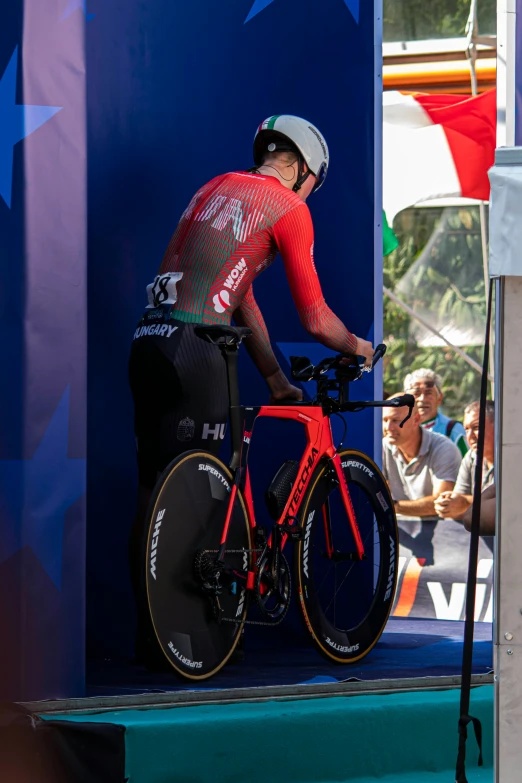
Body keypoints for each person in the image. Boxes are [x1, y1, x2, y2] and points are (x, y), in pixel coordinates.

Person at [128, 114, 375, 664]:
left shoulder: (214, 187)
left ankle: (153, 639)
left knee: (155, 491)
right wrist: (360, 347)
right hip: (197, 348)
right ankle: (200, 637)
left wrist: (276, 381)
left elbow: (239, 295)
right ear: (305, 171)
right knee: (204, 495)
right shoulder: (288, 207)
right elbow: (315, 319)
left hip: (150, 340)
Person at [382, 393, 462, 520]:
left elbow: (439, 504)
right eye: (385, 420)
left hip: (443, 533)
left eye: (396, 420)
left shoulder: (444, 448)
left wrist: (392, 506)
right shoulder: (383, 447)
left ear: (416, 420)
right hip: (400, 531)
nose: (388, 427)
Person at [434, 400, 495, 522]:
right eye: (466, 429)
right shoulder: (471, 457)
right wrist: (448, 504)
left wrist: (465, 503)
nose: (470, 436)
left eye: (476, 427)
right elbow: (459, 500)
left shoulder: (514, 458)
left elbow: (508, 505)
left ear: (499, 426)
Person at [403, 368, 468, 457]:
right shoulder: (397, 428)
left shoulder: (453, 430)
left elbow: (469, 466)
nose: (422, 399)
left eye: (428, 393)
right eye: (416, 393)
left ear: (439, 398)